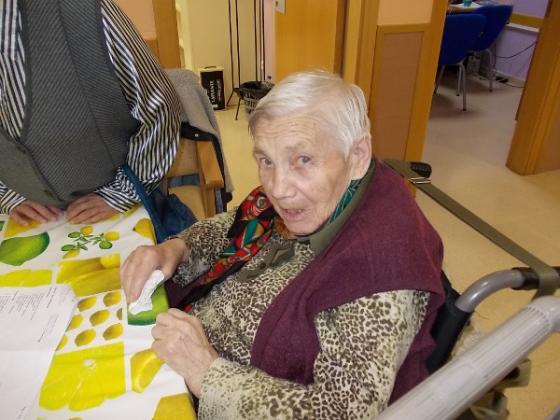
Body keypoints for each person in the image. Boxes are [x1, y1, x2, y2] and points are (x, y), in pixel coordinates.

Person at [121, 71, 445, 418]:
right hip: (178, 342)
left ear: (358, 154)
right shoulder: (318, 196)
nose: (277, 188)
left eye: (303, 160)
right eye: (266, 161)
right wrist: (178, 248)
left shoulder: (380, 270)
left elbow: (340, 412)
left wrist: (207, 373)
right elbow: (233, 224)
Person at [0, 0, 181, 225]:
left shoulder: (85, 10)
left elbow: (159, 105)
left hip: (111, 202)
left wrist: (123, 192)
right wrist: (5, 194)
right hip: (20, 213)